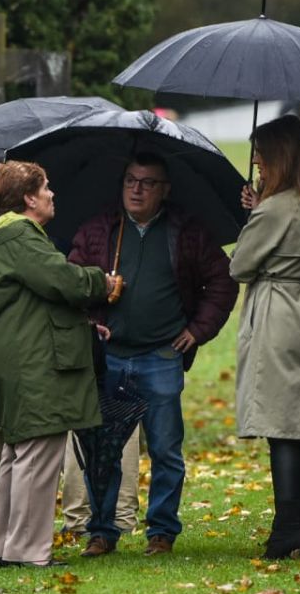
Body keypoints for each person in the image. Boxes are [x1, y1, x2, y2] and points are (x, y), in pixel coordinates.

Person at [66, 152, 239, 557]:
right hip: (109, 357)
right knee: (102, 447)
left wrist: (197, 330)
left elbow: (222, 283)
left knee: (165, 449)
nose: (137, 189)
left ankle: (161, 530)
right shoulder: (99, 230)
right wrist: (93, 306)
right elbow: (70, 280)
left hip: (161, 356)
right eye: (130, 180)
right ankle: (102, 531)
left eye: (147, 183)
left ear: (165, 190)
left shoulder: (188, 232)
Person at [0, 161, 120, 567]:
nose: (53, 194)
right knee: (38, 455)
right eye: (46, 187)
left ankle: (6, 545)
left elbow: (37, 303)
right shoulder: (21, 236)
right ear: (29, 198)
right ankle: (29, 551)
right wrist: (101, 282)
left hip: (22, 357)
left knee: (19, 453)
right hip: (35, 364)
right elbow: (62, 280)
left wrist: (85, 328)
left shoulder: (6, 237)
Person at [232, 115, 300, 558]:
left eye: (262, 157)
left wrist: (254, 216)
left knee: (281, 427)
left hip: (276, 313)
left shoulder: (274, 209)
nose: (257, 165)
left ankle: (287, 528)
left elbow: (240, 266)